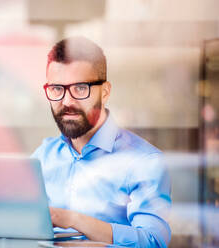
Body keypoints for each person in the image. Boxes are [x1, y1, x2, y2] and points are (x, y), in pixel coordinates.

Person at [32, 37, 171, 248]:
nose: (67, 101)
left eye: (80, 88)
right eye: (57, 89)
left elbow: (153, 242)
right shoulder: (44, 155)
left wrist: (71, 219)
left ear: (105, 92)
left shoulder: (144, 161)